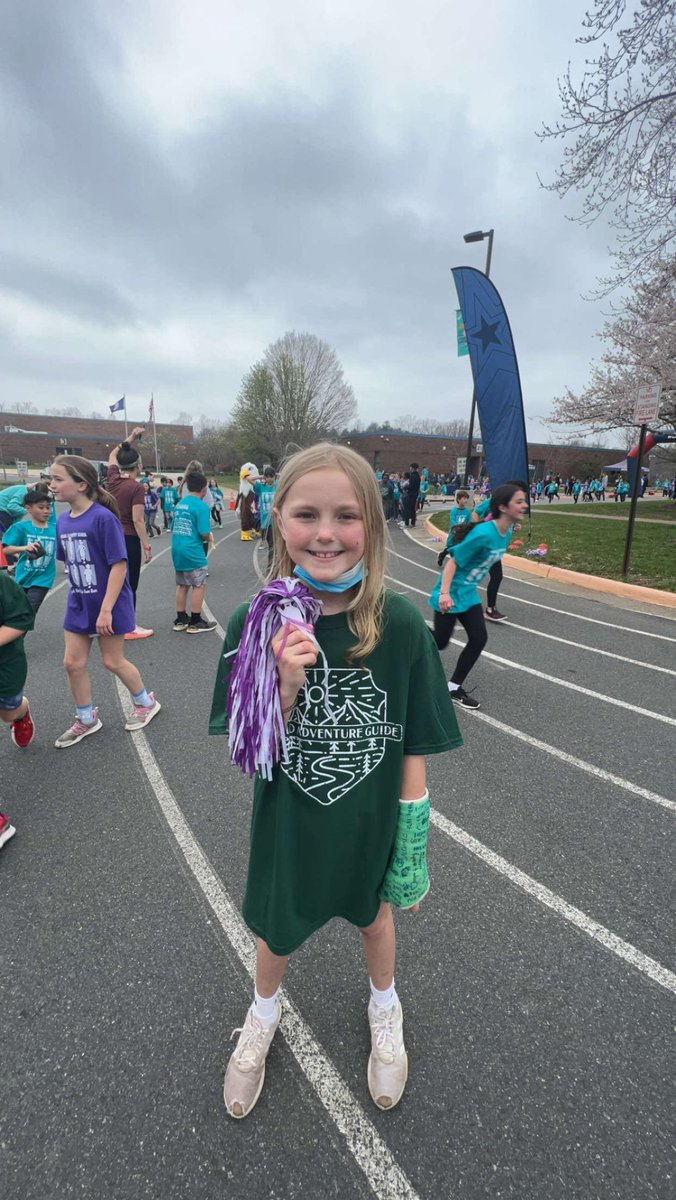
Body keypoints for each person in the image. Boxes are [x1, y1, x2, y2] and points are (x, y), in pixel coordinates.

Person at [211, 442, 462, 1119]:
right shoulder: (251, 623)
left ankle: (386, 1005)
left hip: (371, 821)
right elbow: (249, 756)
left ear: (372, 528)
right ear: (279, 522)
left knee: (376, 918)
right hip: (289, 821)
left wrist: (411, 839)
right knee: (274, 931)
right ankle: (263, 1015)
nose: (326, 533)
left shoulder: (402, 625)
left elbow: (415, 737)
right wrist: (283, 687)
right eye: (308, 514)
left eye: (347, 515)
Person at [49, 457, 160, 748]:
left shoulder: (102, 518)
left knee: (112, 661)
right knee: (72, 663)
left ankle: (145, 702)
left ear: (82, 484)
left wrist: (107, 608)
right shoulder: (62, 521)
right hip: (78, 602)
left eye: (59, 479)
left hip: (107, 602)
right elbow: (68, 562)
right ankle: (86, 719)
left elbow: (119, 565)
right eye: (52, 479)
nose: (52, 485)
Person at [429, 483, 529, 707]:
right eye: (519, 501)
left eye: (524, 500)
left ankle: (453, 687)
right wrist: (445, 594)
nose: (525, 505)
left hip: (468, 594)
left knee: (479, 638)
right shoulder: (484, 534)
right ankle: (409, 634)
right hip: (451, 593)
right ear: (503, 507)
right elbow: (453, 563)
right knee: (440, 642)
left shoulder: (506, 531)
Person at [107, 426, 153, 639]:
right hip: (128, 539)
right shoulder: (136, 488)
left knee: (113, 581)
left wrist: (131, 438)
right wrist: (146, 545)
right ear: (138, 465)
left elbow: (112, 454)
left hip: (111, 538)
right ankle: (128, 626)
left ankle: (114, 621)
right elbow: (137, 520)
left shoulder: (113, 479)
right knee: (129, 584)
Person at [171, 471, 217, 633]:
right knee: (198, 584)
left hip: (177, 548)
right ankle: (196, 620)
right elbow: (204, 532)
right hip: (192, 549)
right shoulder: (201, 506)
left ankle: (181, 618)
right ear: (204, 489)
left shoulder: (180, 504)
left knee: (182, 584)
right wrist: (209, 537)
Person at [1, 487, 57, 615]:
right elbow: (6, 549)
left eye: (48, 507)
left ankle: (12, 634)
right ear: (28, 508)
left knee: (27, 613)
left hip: (43, 580)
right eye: (41, 507)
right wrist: (24, 548)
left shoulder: (56, 528)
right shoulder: (20, 527)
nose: (46, 511)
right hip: (22, 577)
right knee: (15, 613)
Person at [253, 467, 278, 568]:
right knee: (271, 544)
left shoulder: (278, 485)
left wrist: (276, 474)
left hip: (277, 520)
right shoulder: (261, 487)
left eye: (271, 477)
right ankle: (272, 566)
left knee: (274, 545)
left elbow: (286, 477)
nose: (270, 479)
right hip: (265, 521)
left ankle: (272, 566)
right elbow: (249, 479)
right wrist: (261, 476)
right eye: (267, 477)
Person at [236, 463, 259, 541]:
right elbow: (238, 500)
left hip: (255, 505)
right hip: (246, 505)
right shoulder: (243, 489)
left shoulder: (257, 485)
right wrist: (237, 508)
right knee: (245, 514)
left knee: (255, 515)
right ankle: (245, 532)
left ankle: (254, 530)